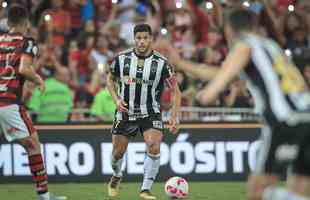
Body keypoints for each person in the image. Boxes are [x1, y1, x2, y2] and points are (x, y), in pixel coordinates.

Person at [165, 8, 310, 200]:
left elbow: (238, 57)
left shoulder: (245, 44)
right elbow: (222, 72)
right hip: (306, 116)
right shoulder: (271, 46)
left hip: (286, 120)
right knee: (298, 188)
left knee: (257, 192)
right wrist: (181, 64)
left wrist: (211, 91)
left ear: (229, 29)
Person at [106, 23, 181, 200]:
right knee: (117, 153)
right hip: (126, 112)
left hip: (151, 112)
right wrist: (116, 99)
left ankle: (145, 189)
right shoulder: (121, 59)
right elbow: (110, 80)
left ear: (151, 39)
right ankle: (116, 175)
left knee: (154, 146)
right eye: (138, 38)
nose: (142, 42)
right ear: (134, 39)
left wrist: (174, 116)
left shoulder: (162, 64)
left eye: (145, 38)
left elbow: (176, 91)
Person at [0, 4, 65, 200]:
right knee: (33, 146)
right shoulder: (27, 42)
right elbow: (24, 68)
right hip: (8, 102)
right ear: (26, 23)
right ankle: (44, 195)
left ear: (8, 22)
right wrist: (38, 79)